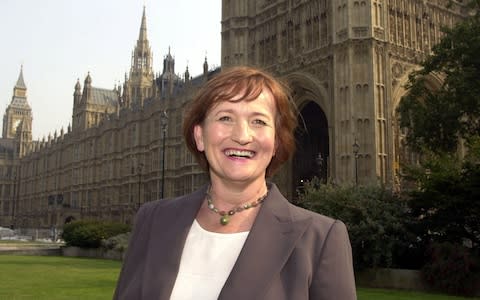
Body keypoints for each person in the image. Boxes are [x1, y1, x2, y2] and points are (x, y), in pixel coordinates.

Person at [113, 66, 356, 300]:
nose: (241, 136)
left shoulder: (321, 240)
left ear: (277, 142)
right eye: (225, 117)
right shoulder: (152, 222)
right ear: (200, 136)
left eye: (258, 121)